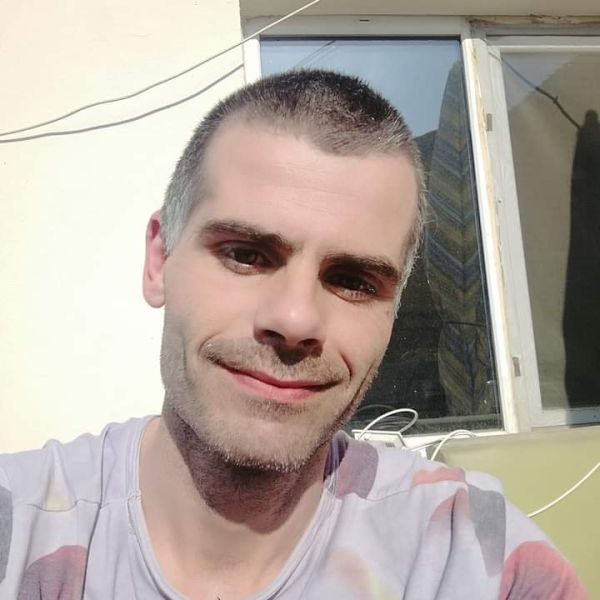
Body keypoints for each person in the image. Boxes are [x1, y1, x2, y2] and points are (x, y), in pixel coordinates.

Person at [0, 70, 586, 600]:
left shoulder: (479, 561)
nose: (296, 319)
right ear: (160, 261)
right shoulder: (20, 529)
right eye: (245, 254)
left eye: (353, 281)